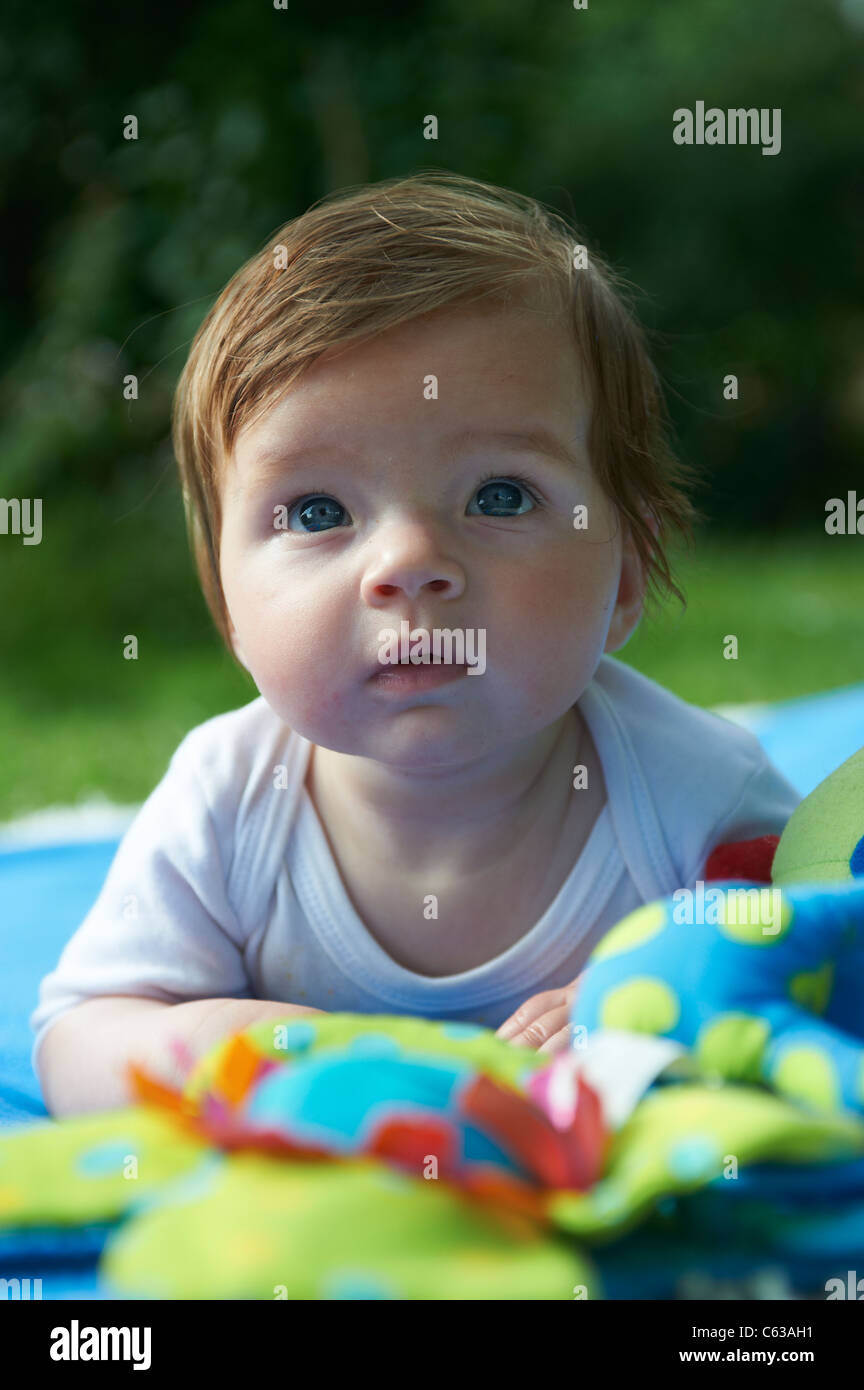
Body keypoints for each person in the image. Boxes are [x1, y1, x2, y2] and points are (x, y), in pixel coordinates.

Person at [31, 172, 800, 1114]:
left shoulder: (694, 790)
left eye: (501, 495)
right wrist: (212, 1049)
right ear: (226, 599)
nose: (408, 564)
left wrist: (656, 1004)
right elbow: (79, 1039)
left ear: (628, 573)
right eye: (318, 510)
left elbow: (813, 956)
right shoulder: (227, 802)